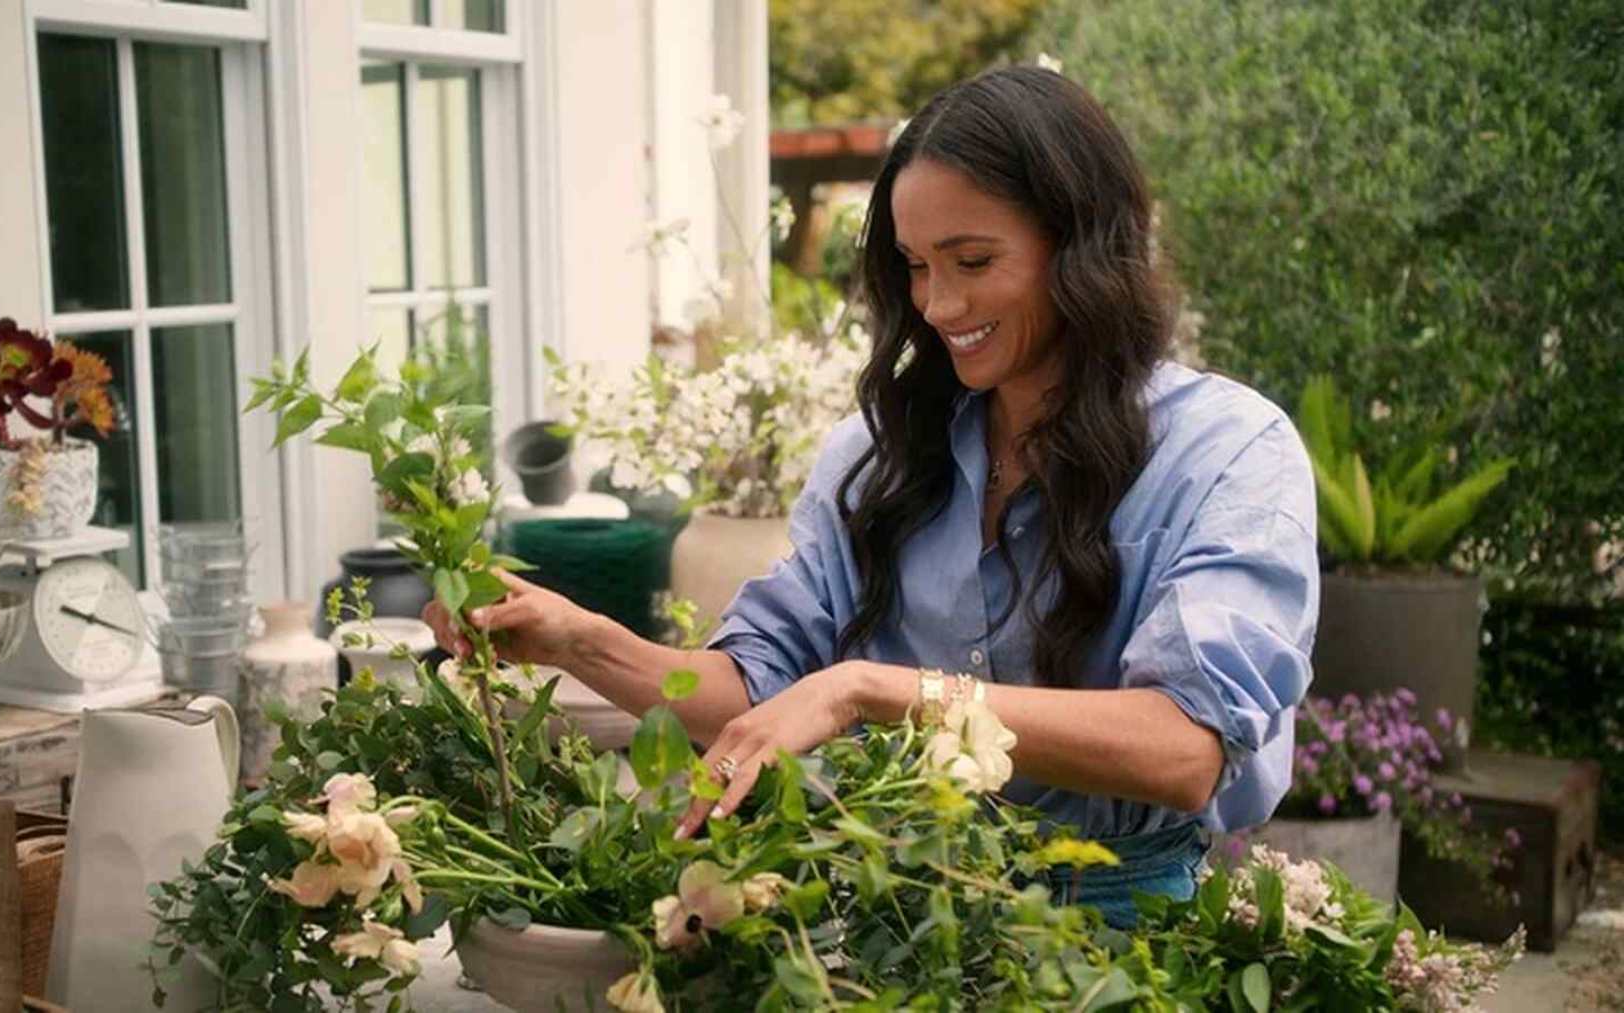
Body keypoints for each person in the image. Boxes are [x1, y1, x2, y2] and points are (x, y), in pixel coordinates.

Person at [424, 65, 1318, 929]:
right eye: (915, 265)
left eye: (972, 259)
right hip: (899, 926)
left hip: (1125, 948)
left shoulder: (1228, 452)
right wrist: (578, 638)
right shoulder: (882, 458)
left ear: (1082, 247)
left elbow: (1183, 749)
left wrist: (870, 690)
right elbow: (756, 690)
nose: (936, 303)